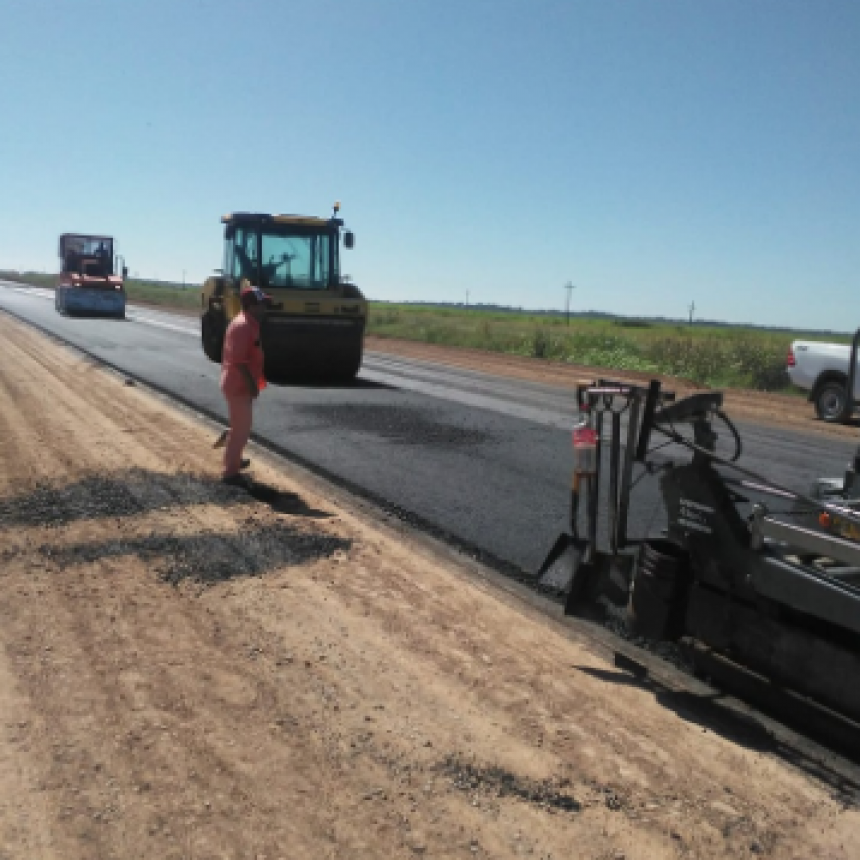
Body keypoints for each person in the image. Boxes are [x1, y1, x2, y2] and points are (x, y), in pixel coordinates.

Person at [220, 281, 270, 485]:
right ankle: (230, 473)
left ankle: (234, 456)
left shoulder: (249, 324)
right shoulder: (242, 326)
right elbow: (239, 361)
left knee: (240, 427)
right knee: (241, 430)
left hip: (239, 384)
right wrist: (251, 385)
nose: (265, 307)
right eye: (262, 304)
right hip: (238, 385)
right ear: (251, 305)